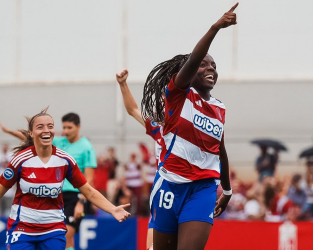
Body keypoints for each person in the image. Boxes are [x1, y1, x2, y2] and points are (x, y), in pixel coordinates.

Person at [140, 3, 238, 249]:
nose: (211, 69)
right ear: (190, 71)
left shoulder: (219, 108)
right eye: (204, 65)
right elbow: (194, 58)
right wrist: (215, 28)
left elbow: (221, 151)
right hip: (169, 184)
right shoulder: (177, 95)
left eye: (214, 66)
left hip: (203, 188)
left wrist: (226, 191)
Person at [0, 108, 130, 250]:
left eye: (50, 126)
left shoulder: (65, 160)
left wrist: (113, 209)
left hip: (53, 230)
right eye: (40, 127)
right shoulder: (20, 160)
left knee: (69, 238)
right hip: (22, 228)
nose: (46, 130)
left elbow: (89, 191)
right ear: (31, 133)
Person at [116, 68, 163, 249]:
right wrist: (123, 84)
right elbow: (133, 110)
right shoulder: (158, 130)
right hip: (162, 193)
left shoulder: (188, 131)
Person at [52, 112, 97, 250]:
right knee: (60, 237)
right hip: (57, 196)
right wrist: (9, 131)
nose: (65, 131)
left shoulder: (86, 147)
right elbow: (35, 140)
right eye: (64, 127)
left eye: (69, 127)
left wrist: (81, 202)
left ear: (78, 127)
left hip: (77, 197)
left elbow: (89, 179)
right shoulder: (59, 142)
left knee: (66, 235)